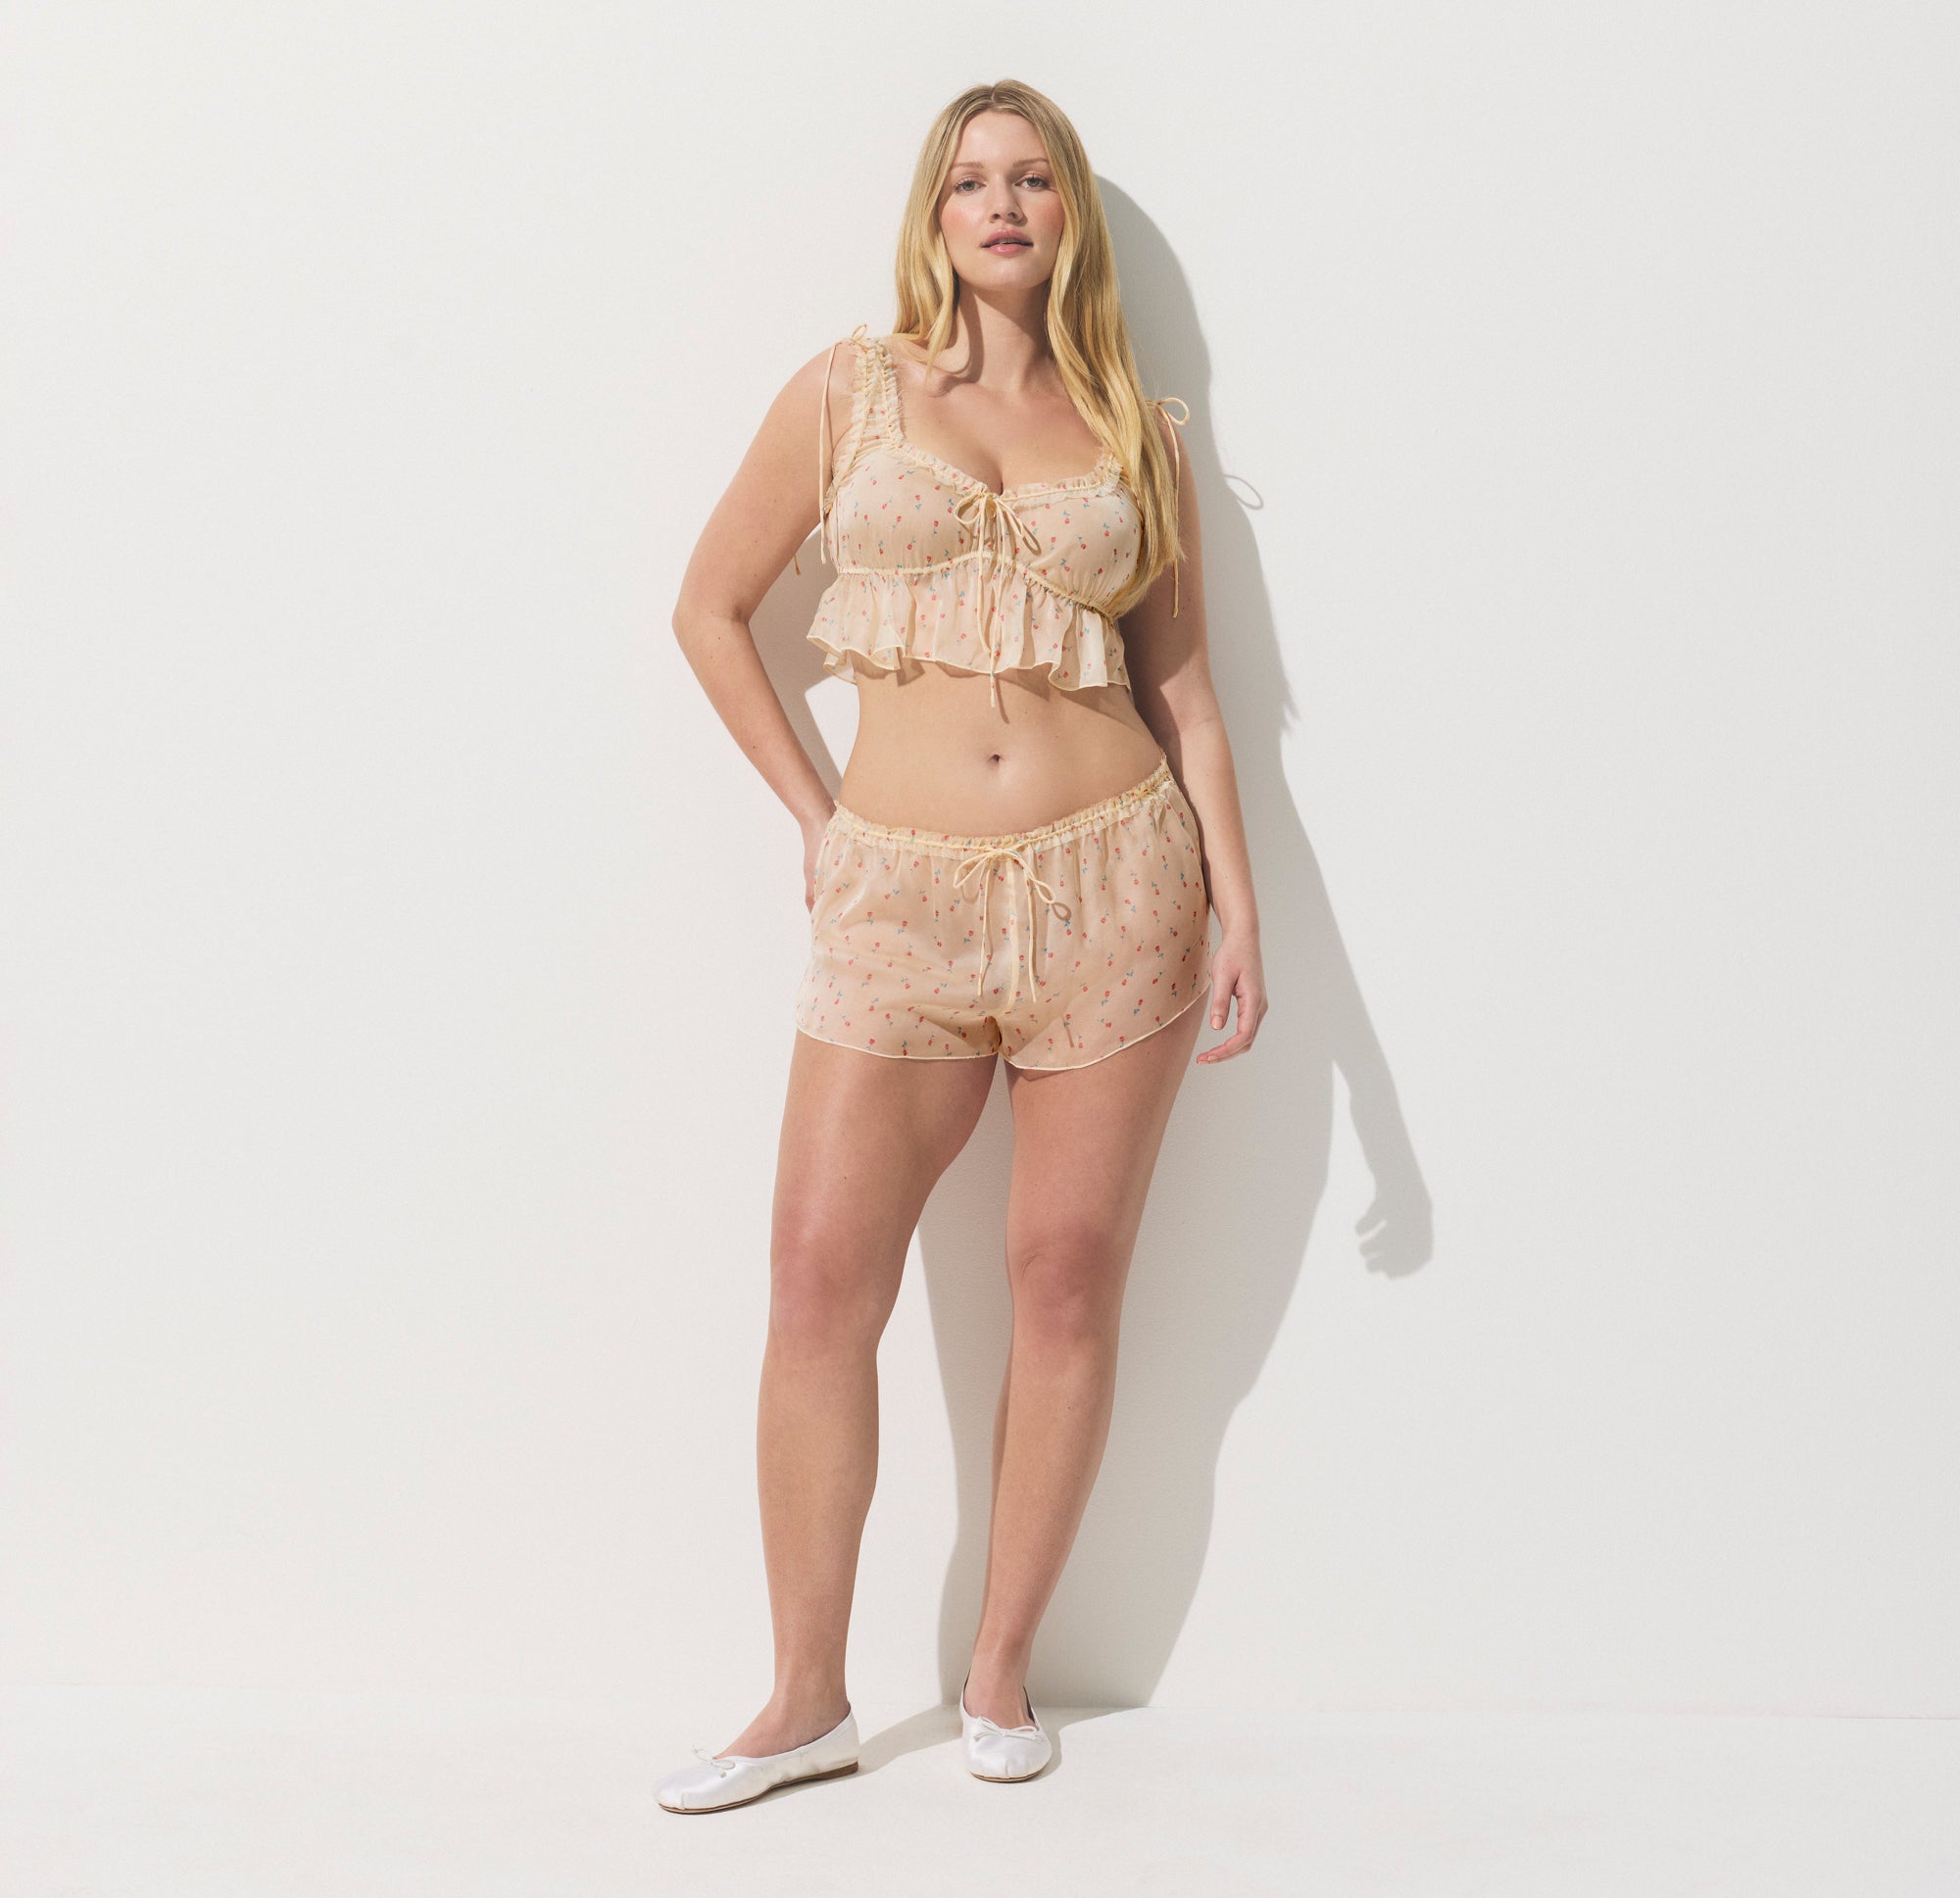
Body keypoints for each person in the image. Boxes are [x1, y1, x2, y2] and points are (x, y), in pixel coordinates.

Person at [658, 77, 1266, 1813]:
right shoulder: (847, 391)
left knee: (1065, 1278)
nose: (1003, 205)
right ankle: (804, 1697)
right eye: (971, 181)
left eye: (1035, 179)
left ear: (1069, 214)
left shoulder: (1139, 429)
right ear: (933, 215)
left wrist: (1238, 902)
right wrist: (816, 813)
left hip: (1117, 891)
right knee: (816, 1280)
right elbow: (708, 607)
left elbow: (1186, 691)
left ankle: (1000, 1668)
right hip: (900, 897)